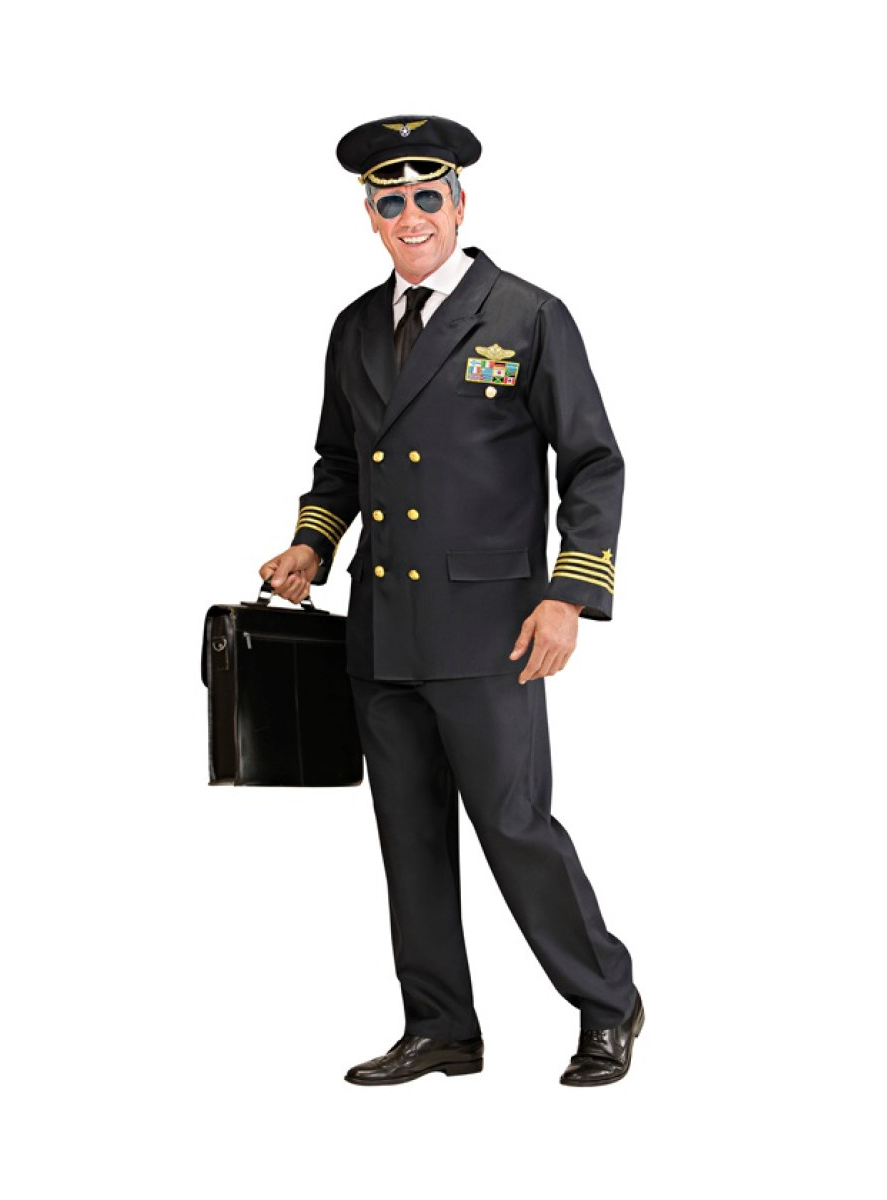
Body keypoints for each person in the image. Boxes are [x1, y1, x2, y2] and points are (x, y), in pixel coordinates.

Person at [258, 115, 642, 1087]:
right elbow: (339, 461)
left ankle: (608, 1003)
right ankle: (440, 1027)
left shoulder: (525, 315)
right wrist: (312, 543)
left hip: (491, 628)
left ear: (460, 205)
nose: (411, 216)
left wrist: (570, 593)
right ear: (370, 216)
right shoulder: (355, 326)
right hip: (383, 629)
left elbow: (592, 462)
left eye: (428, 197)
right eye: (390, 202)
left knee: (515, 829)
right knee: (410, 839)